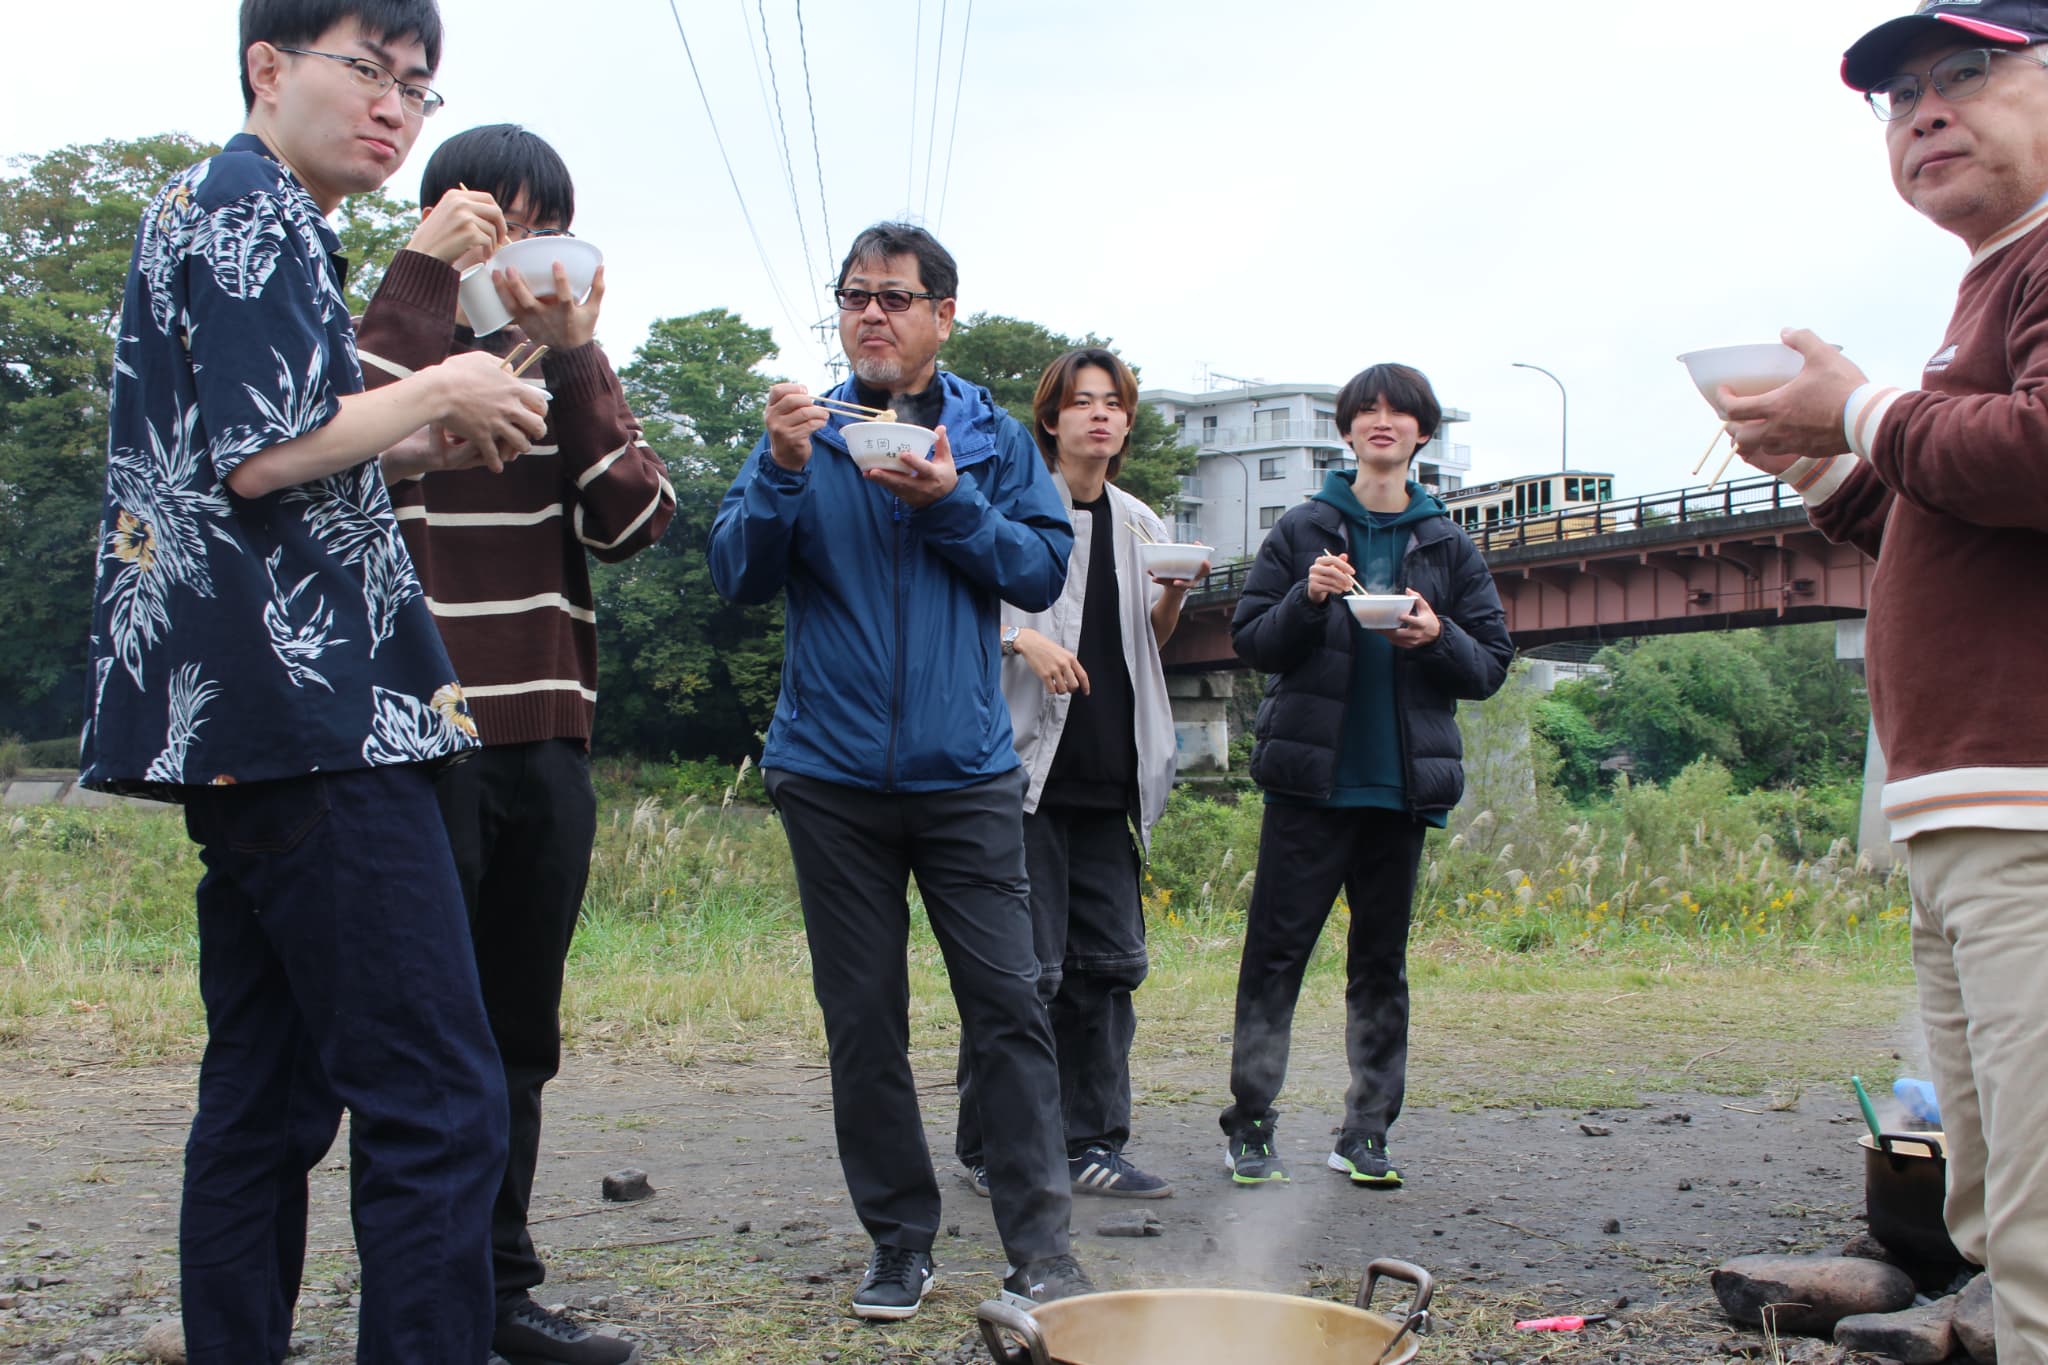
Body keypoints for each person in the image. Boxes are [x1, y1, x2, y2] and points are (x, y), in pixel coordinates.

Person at [77, 2, 552, 1361]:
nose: (398, 106)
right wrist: (447, 380)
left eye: (421, 86)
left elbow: (273, 448)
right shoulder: (249, 203)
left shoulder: (217, 205)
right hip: (312, 716)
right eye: (370, 71)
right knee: (440, 1102)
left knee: (267, 1098)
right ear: (268, 68)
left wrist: (419, 436)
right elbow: (263, 453)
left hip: (244, 720)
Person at [1722, 4, 2048, 1357]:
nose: (1925, 109)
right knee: (1998, 1201)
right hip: (1971, 813)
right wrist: (1827, 463)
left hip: (2032, 812)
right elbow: (1954, 510)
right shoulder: (1994, 282)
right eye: (1900, 92)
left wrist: (1859, 407)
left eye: (1969, 73)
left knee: (2042, 1209)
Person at [709, 222, 1094, 1320]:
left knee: (1008, 1006)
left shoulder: (989, 438)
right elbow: (735, 573)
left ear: (941, 314)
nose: (870, 315)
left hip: (964, 771)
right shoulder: (805, 429)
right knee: (862, 1017)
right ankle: (897, 1241)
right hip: (826, 775)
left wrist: (947, 503)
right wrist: (783, 469)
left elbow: (1033, 565)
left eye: (894, 297)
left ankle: (1040, 1249)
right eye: (853, 298)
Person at [354, 123, 674, 1365]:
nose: (513, 243)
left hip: (542, 738)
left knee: (514, 1035)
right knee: (413, 1042)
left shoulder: (562, 364)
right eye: (486, 215)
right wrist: (421, 281)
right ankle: (417, 1308)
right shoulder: (391, 341)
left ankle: (495, 1292)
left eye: (539, 222)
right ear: (439, 219)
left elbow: (635, 521)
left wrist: (585, 357)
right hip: (412, 737)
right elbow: (335, 458)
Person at [1218, 363, 1511, 1190]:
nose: (1383, 422)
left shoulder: (1449, 543)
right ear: (1346, 432)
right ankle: (1251, 1123)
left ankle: (1367, 1129)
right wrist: (1308, 600)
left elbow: (1489, 663)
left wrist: (1436, 634)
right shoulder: (1304, 530)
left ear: (1422, 433)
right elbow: (1254, 642)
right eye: (1367, 411)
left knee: (1381, 964)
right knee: (1275, 957)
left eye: (1400, 412)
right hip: (1309, 787)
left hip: (1400, 793)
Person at [954, 347, 1201, 1203]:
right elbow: (961, 612)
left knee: (1108, 967)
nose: (1099, 416)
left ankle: (1092, 1140)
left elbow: (1147, 647)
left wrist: (1173, 594)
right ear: (1051, 420)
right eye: (1081, 403)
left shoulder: (1143, 523)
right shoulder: (1014, 507)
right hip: (1022, 774)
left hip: (1110, 775)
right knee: (1022, 972)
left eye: (1114, 404)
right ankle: (991, 1143)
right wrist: (1023, 638)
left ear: (1127, 424)